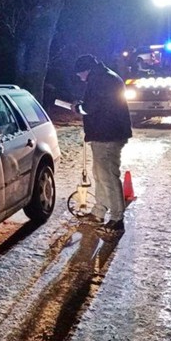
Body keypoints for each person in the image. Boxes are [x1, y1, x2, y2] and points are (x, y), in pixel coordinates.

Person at [72, 54, 133, 235]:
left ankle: (116, 218)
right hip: (108, 133)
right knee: (100, 175)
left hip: (107, 135)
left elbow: (91, 107)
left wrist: (77, 108)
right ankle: (99, 212)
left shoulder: (100, 80)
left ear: (86, 70)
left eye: (79, 74)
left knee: (107, 176)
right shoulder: (107, 76)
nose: (79, 78)